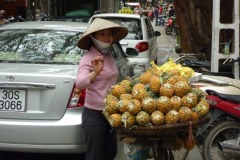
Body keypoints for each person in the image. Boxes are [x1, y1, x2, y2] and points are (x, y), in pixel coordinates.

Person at [75, 18, 128, 160]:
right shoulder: (88, 58)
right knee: (94, 156)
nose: (107, 37)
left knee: (110, 153)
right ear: (93, 38)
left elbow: (111, 81)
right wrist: (95, 72)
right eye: (102, 34)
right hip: (94, 115)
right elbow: (80, 83)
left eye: (109, 33)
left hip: (111, 114)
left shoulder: (108, 55)